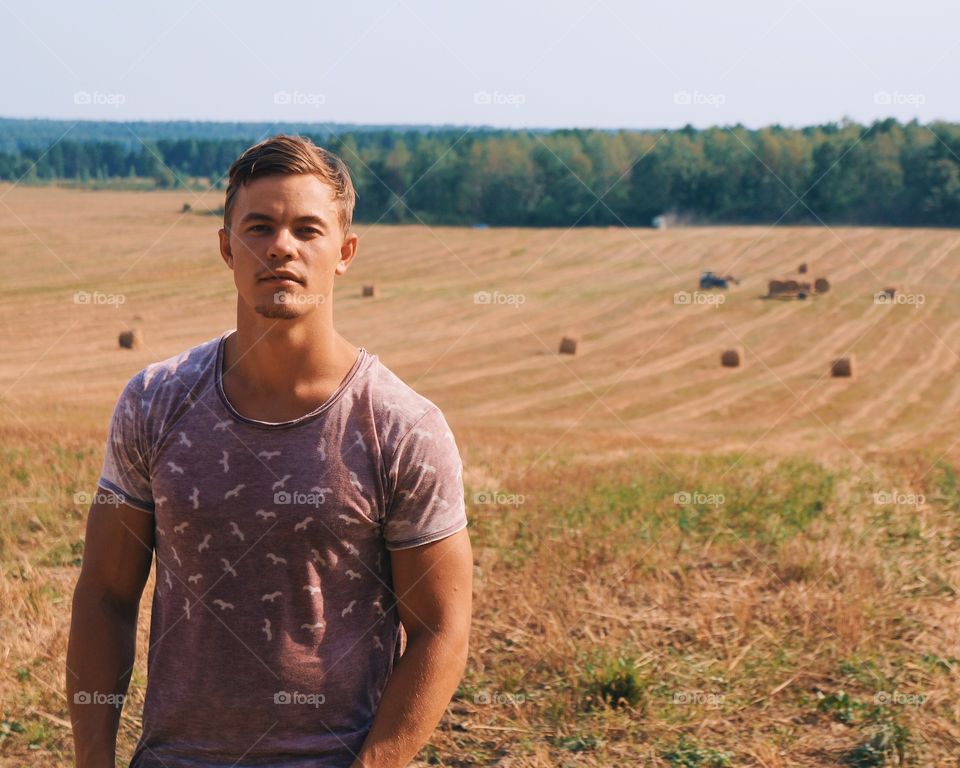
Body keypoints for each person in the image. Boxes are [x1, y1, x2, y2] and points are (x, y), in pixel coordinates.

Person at [66, 134, 473, 768]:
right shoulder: (153, 402)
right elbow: (104, 596)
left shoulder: (401, 426)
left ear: (345, 252)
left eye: (307, 229)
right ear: (227, 247)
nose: (281, 245)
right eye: (260, 226)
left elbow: (441, 629)